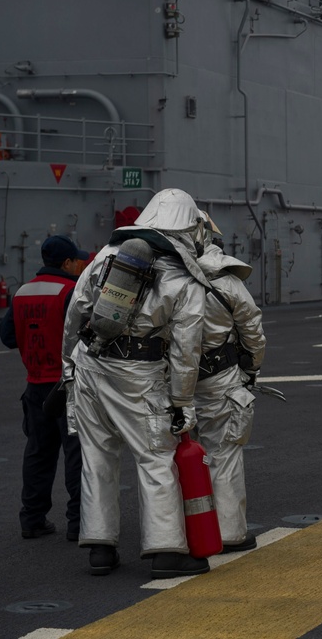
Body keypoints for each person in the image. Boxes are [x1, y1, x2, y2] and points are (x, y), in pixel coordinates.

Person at [62, 188, 212, 578]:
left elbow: (76, 311)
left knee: (97, 457)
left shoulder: (107, 255)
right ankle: (165, 550)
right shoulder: (185, 277)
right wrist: (182, 403)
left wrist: (67, 366)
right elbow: (185, 350)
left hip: (90, 365)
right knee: (155, 457)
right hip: (138, 375)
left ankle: (99, 547)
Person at [0, 235, 89, 542]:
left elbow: (8, 336)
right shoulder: (71, 290)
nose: (79, 265)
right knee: (77, 455)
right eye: (76, 261)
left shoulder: (23, 291)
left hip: (35, 385)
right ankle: (78, 523)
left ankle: (33, 519)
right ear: (66, 263)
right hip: (67, 386)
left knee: (38, 454)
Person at [193, 213, 266, 552]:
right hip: (217, 377)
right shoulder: (227, 280)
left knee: (164, 457)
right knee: (223, 452)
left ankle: (174, 535)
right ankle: (229, 532)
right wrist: (251, 369)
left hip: (162, 380)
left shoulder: (161, 276)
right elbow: (252, 330)